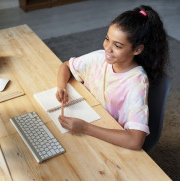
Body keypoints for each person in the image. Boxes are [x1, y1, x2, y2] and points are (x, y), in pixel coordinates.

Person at [56, 5, 169, 150]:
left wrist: (85, 128)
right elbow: (65, 66)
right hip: (92, 119)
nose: (107, 48)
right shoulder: (99, 58)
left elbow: (135, 141)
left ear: (137, 49)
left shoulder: (136, 83)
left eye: (117, 45)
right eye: (107, 39)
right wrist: (61, 86)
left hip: (109, 137)